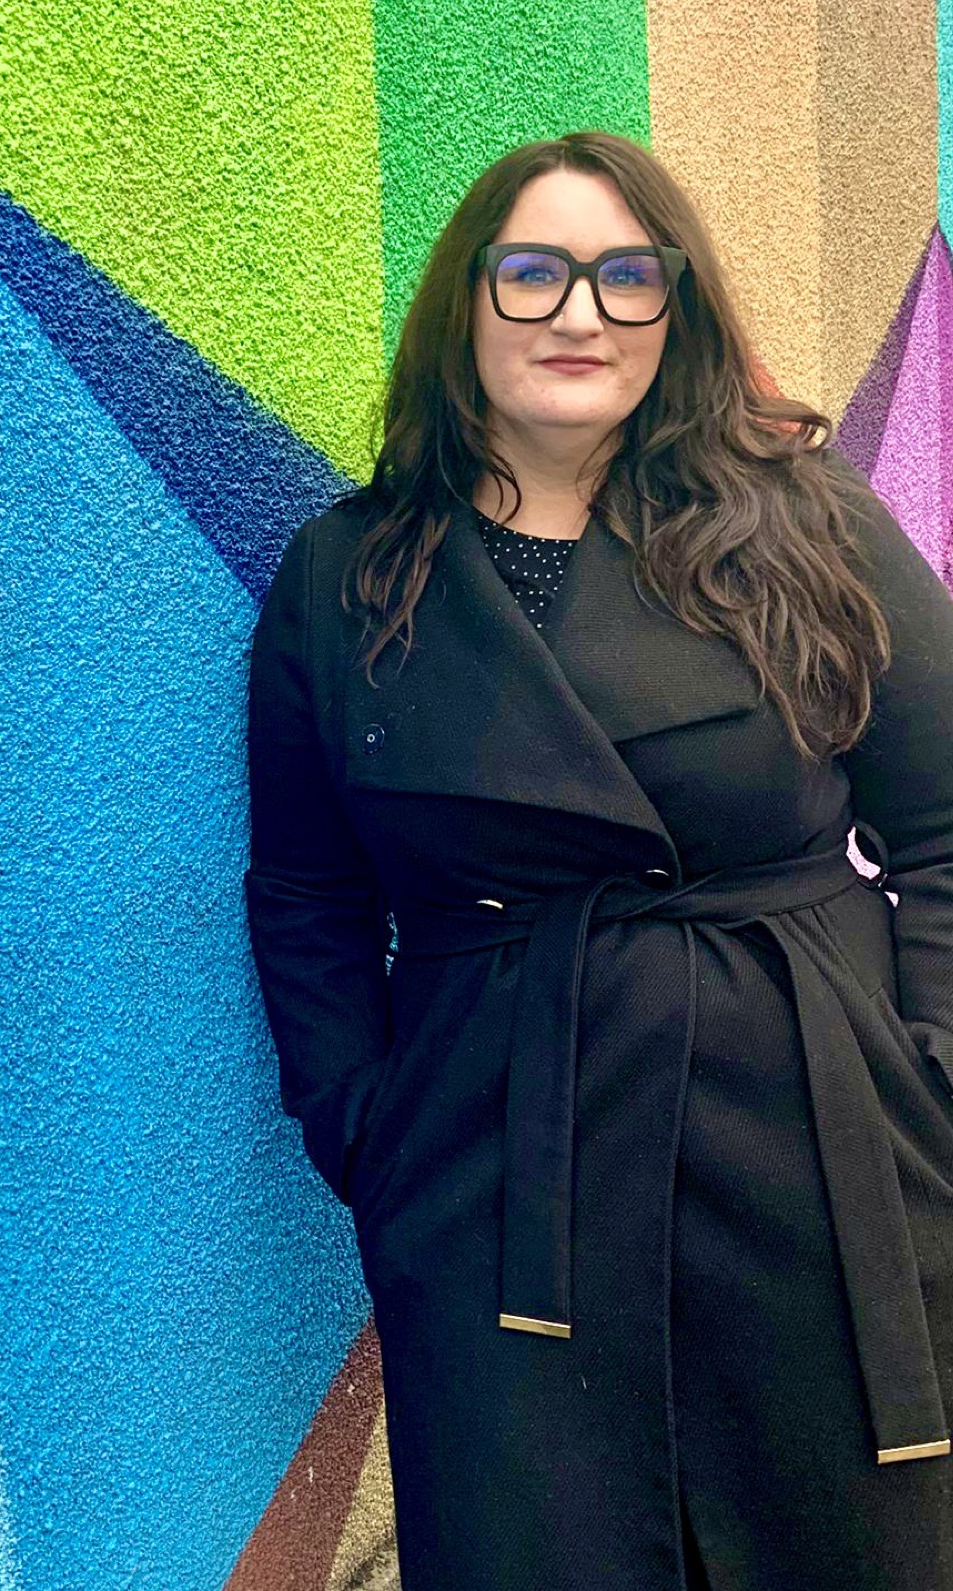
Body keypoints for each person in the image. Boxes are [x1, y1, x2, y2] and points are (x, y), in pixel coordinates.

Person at [243, 130, 953, 1590]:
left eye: (629, 276)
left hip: (815, 1138)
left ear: (675, 311)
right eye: (537, 273)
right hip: (501, 1165)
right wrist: (369, 1129)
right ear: (467, 306)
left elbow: (945, 821)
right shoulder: (350, 575)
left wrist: (931, 1072)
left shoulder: (806, 529)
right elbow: (309, 894)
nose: (582, 314)